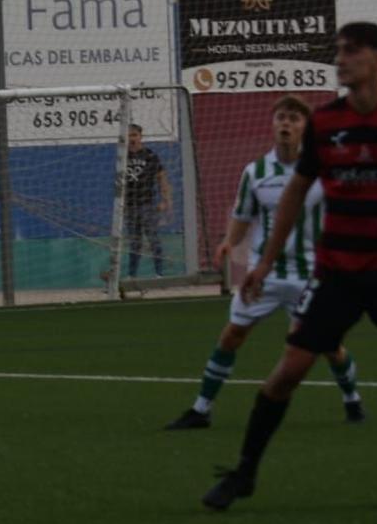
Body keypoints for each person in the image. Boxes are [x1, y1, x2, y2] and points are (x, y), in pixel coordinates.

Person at [205, 23, 377, 511]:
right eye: (338, 51)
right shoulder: (325, 123)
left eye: (352, 51)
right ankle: (244, 474)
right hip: (336, 274)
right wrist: (260, 263)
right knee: (286, 373)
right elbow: (295, 195)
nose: (340, 59)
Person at [165, 96, 362, 430]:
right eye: (281, 118)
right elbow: (242, 216)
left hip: (310, 275)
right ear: (273, 125)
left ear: (306, 127)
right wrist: (229, 241)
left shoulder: (324, 170)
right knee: (231, 336)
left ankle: (352, 401)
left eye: (294, 119)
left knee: (329, 346)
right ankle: (201, 410)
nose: (286, 124)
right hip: (263, 276)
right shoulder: (255, 172)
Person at [121, 124, 174, 279]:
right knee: (134, 243)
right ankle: (132, 276)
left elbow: (162, 179)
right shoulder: (122, 156)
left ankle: (159, 274)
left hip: (147, 205)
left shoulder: (150, 155)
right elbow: (119, 182)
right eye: (129, 135)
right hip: (130, 206)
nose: (132, 139)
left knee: (153, 240)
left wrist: (166, 201)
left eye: (134, 135)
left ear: (140, 136)